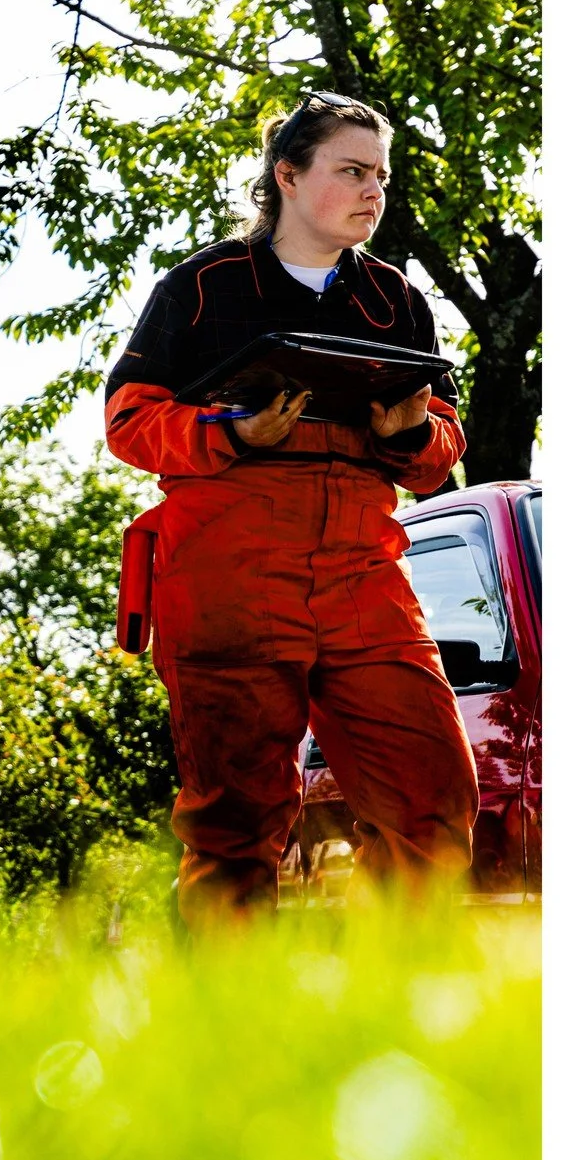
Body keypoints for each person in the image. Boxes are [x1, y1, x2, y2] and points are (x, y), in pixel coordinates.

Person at [104, 90, 477, 921]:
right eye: (352, 171)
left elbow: (438, 450)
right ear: (287, 176)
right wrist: (230, 432)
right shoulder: (200, 287)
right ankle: (227, 1000)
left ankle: (397, 994)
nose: (372, 191)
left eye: (380, 176)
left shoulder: (395, 301)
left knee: (432, 802)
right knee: (233, 829)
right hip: (227, 570)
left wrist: (409, 432)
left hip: (361, 572)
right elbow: (128, 422)